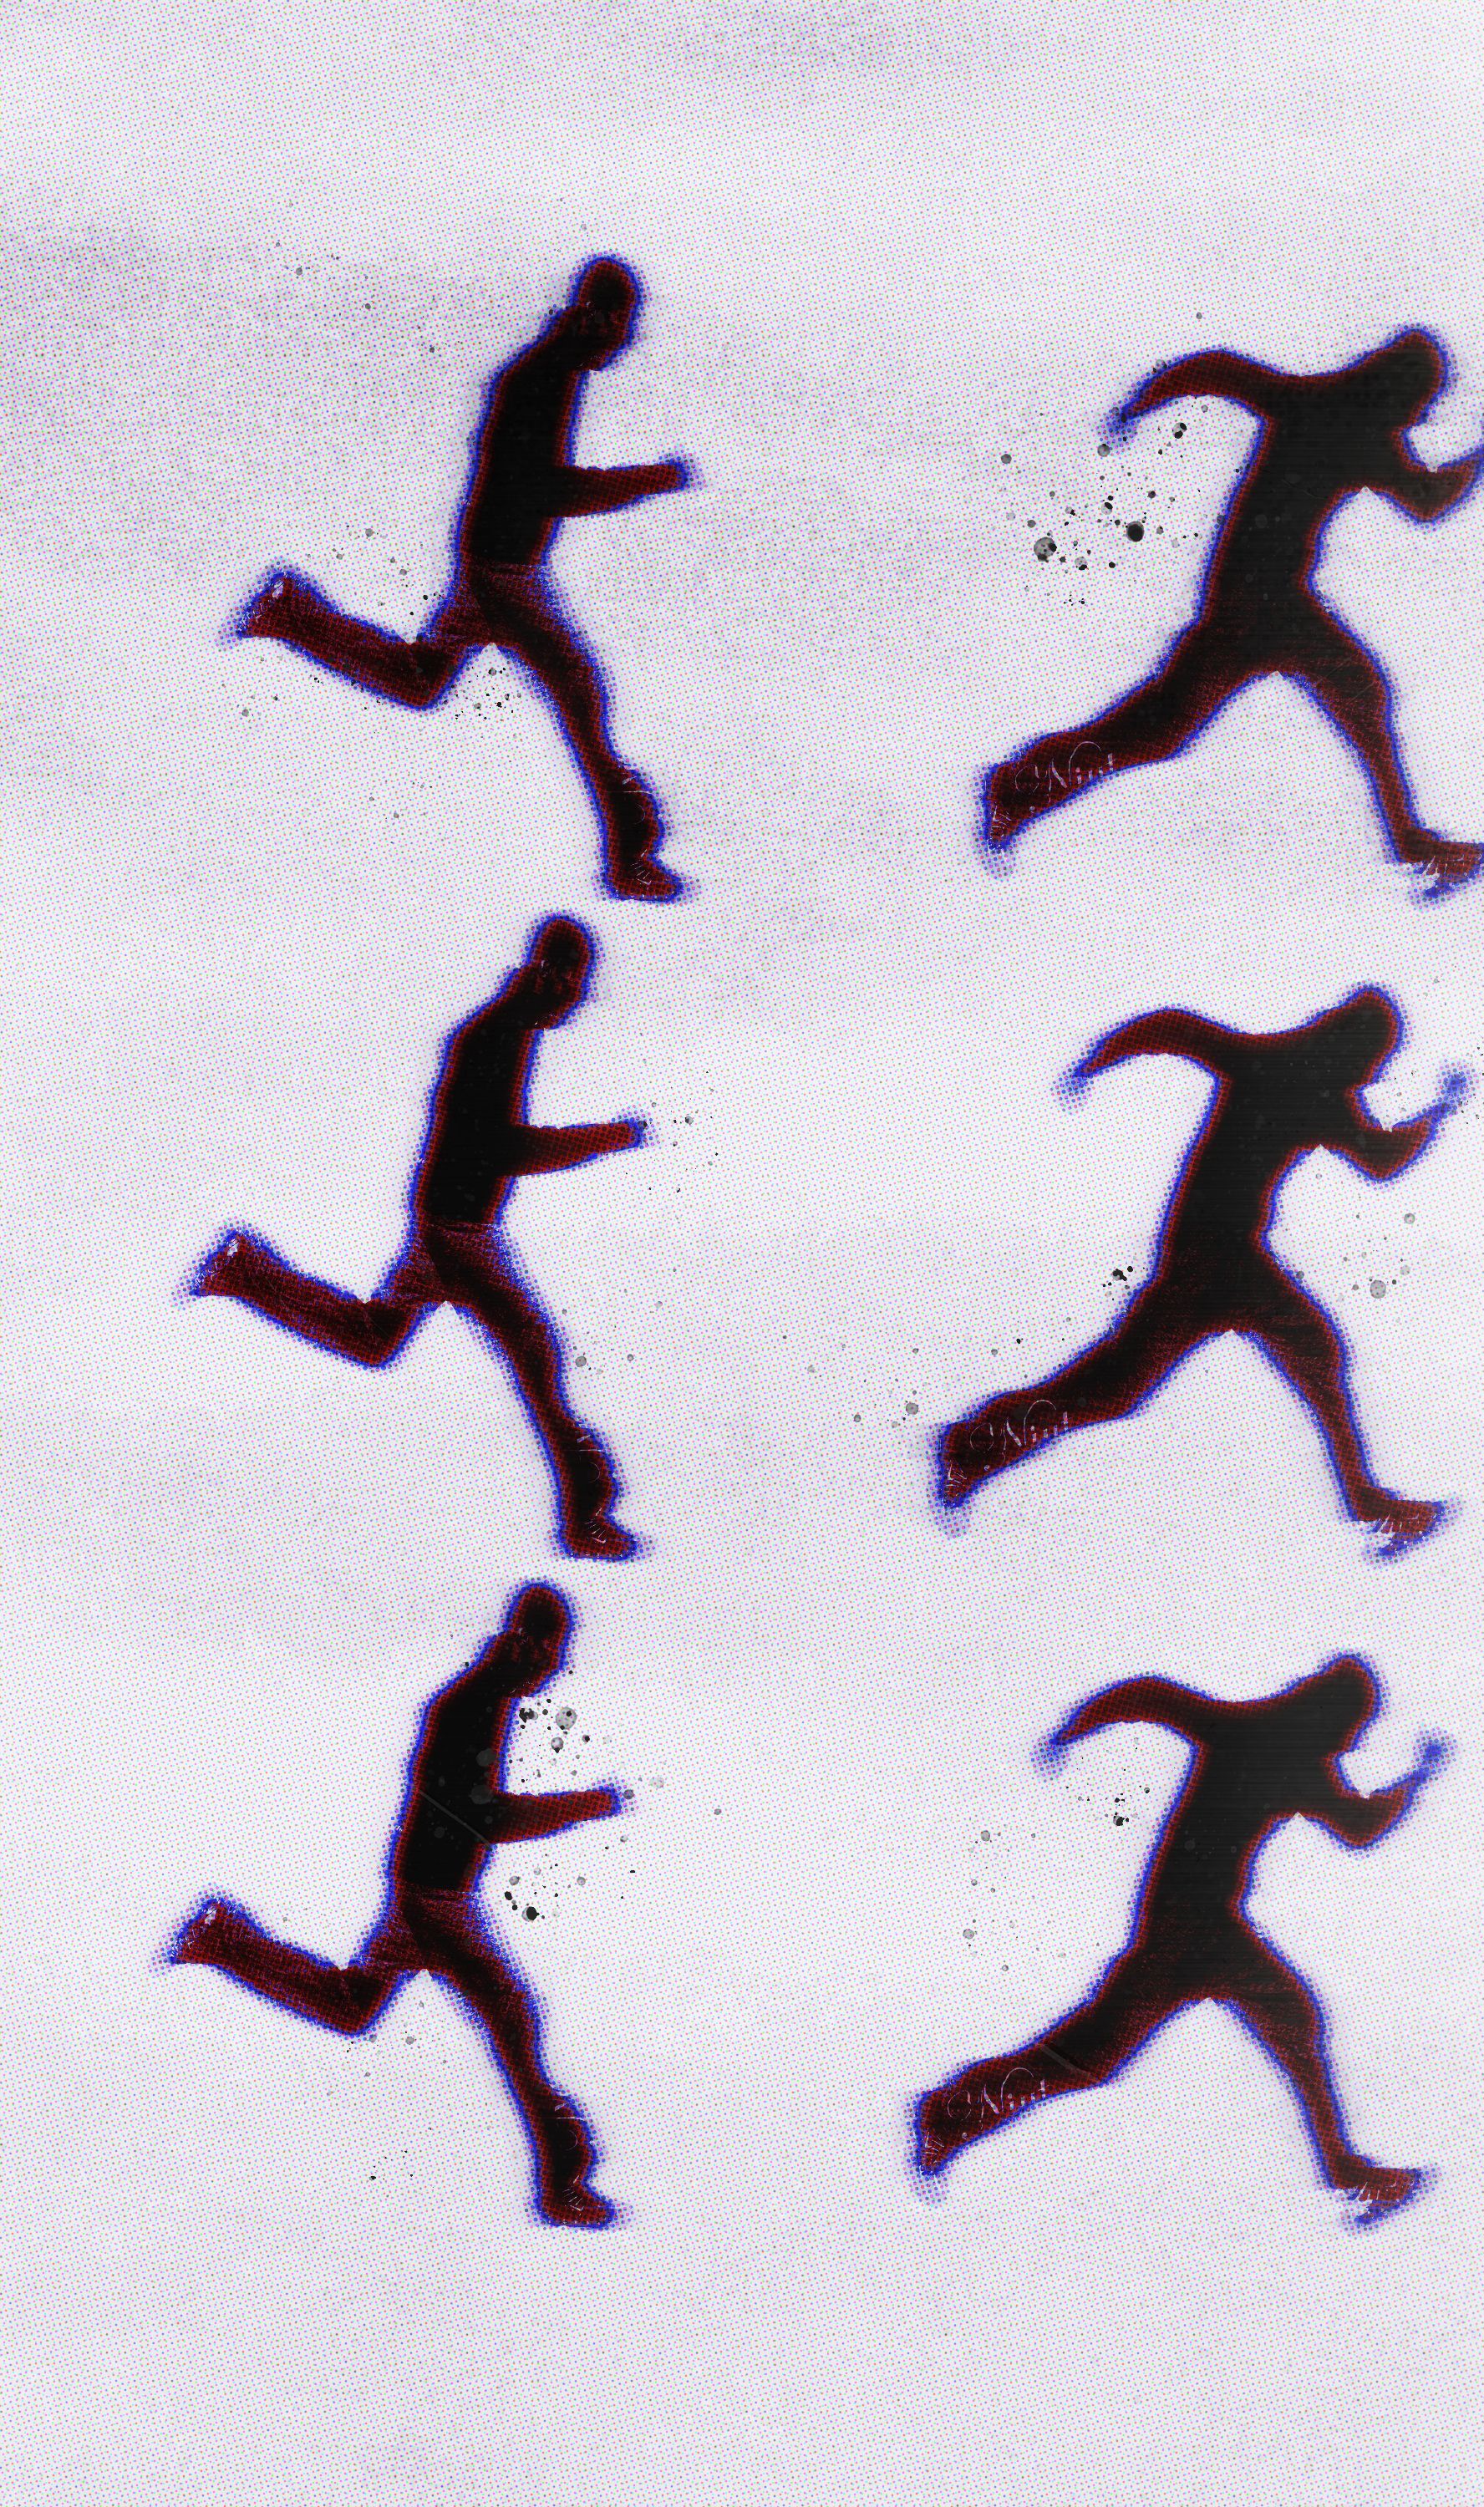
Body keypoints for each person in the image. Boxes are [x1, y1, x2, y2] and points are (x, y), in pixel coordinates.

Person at [979, 329, 1484, 899]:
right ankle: (1412, 846)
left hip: (1256, 601)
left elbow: (1220, 370)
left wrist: (1144, 401)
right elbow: (1427, 500)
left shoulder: (1318, 406)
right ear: (1395, 392)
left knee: (1166, 729)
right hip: (1266, 605)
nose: (1419, 419)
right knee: (1193, 724)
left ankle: (1018, 787)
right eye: (1421, 404)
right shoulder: (1354, 429)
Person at [914, 1655, 1448, 2225]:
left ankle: (953, 2112)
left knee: (1098, 2055)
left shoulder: (1256, 1736)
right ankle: (1345, 2173)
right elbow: (1359, 1826)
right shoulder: (1282, 1752)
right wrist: (1417, 1778)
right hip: (1197, 1930)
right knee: (1279, 2023)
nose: (1349, 1747)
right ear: (1326, 1717)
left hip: (1187, 1926)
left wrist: (1078, 1726)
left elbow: (1152, 1696)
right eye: (1352, 1731)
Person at [937, 989, 1463, 1557]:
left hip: (1218, 1257)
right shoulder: (1306, 1086)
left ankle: (974, 1445)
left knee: (1123, 1387)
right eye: (1375, 1060)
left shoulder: (1279, 1069)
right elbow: (1381, 1160)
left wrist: (1104, 1055)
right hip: (1216, 1261)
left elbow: (1175, 1028)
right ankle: (972, 1445)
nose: (1375, 1075)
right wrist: (1439, 1111)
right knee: (1132, 1385)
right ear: (1348, 1048)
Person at [167, 1584, 630, 2228]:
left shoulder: (481, 1699)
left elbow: (472, 1814)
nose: (555, 1670)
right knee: (513, 2020)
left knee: (353, 2006)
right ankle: (562, 2185)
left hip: (425, 1895)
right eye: (554, 1653)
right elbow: (485, 1818)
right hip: (435, 1904)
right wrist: (584, 1804)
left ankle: (225, 1940)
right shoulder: (472, 1705)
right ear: (528, 1645)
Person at [234, 257, 693, 901]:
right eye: (623, 327)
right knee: (581, 694)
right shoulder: (542, 378)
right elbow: (546, 489)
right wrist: (647, 480)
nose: (625, 343)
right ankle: (627, 858)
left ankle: (292, 616)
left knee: (423, 680)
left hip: (493, 568)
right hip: (504, 576)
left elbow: (530, 486)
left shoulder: (548, 372)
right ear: (600, 318)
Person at [191, 916, 648, 1561]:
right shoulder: (496, 1036)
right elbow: (502, 1148)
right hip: (458, 1235)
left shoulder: (503, 1030)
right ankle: (585, 1517)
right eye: (577, 986)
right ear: (554, 977)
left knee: (376, 1339)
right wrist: (604, 1138)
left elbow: (485, 1145)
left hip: (446, 1227)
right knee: (537, 1356)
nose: (578, 1002)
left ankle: (245, 1272)